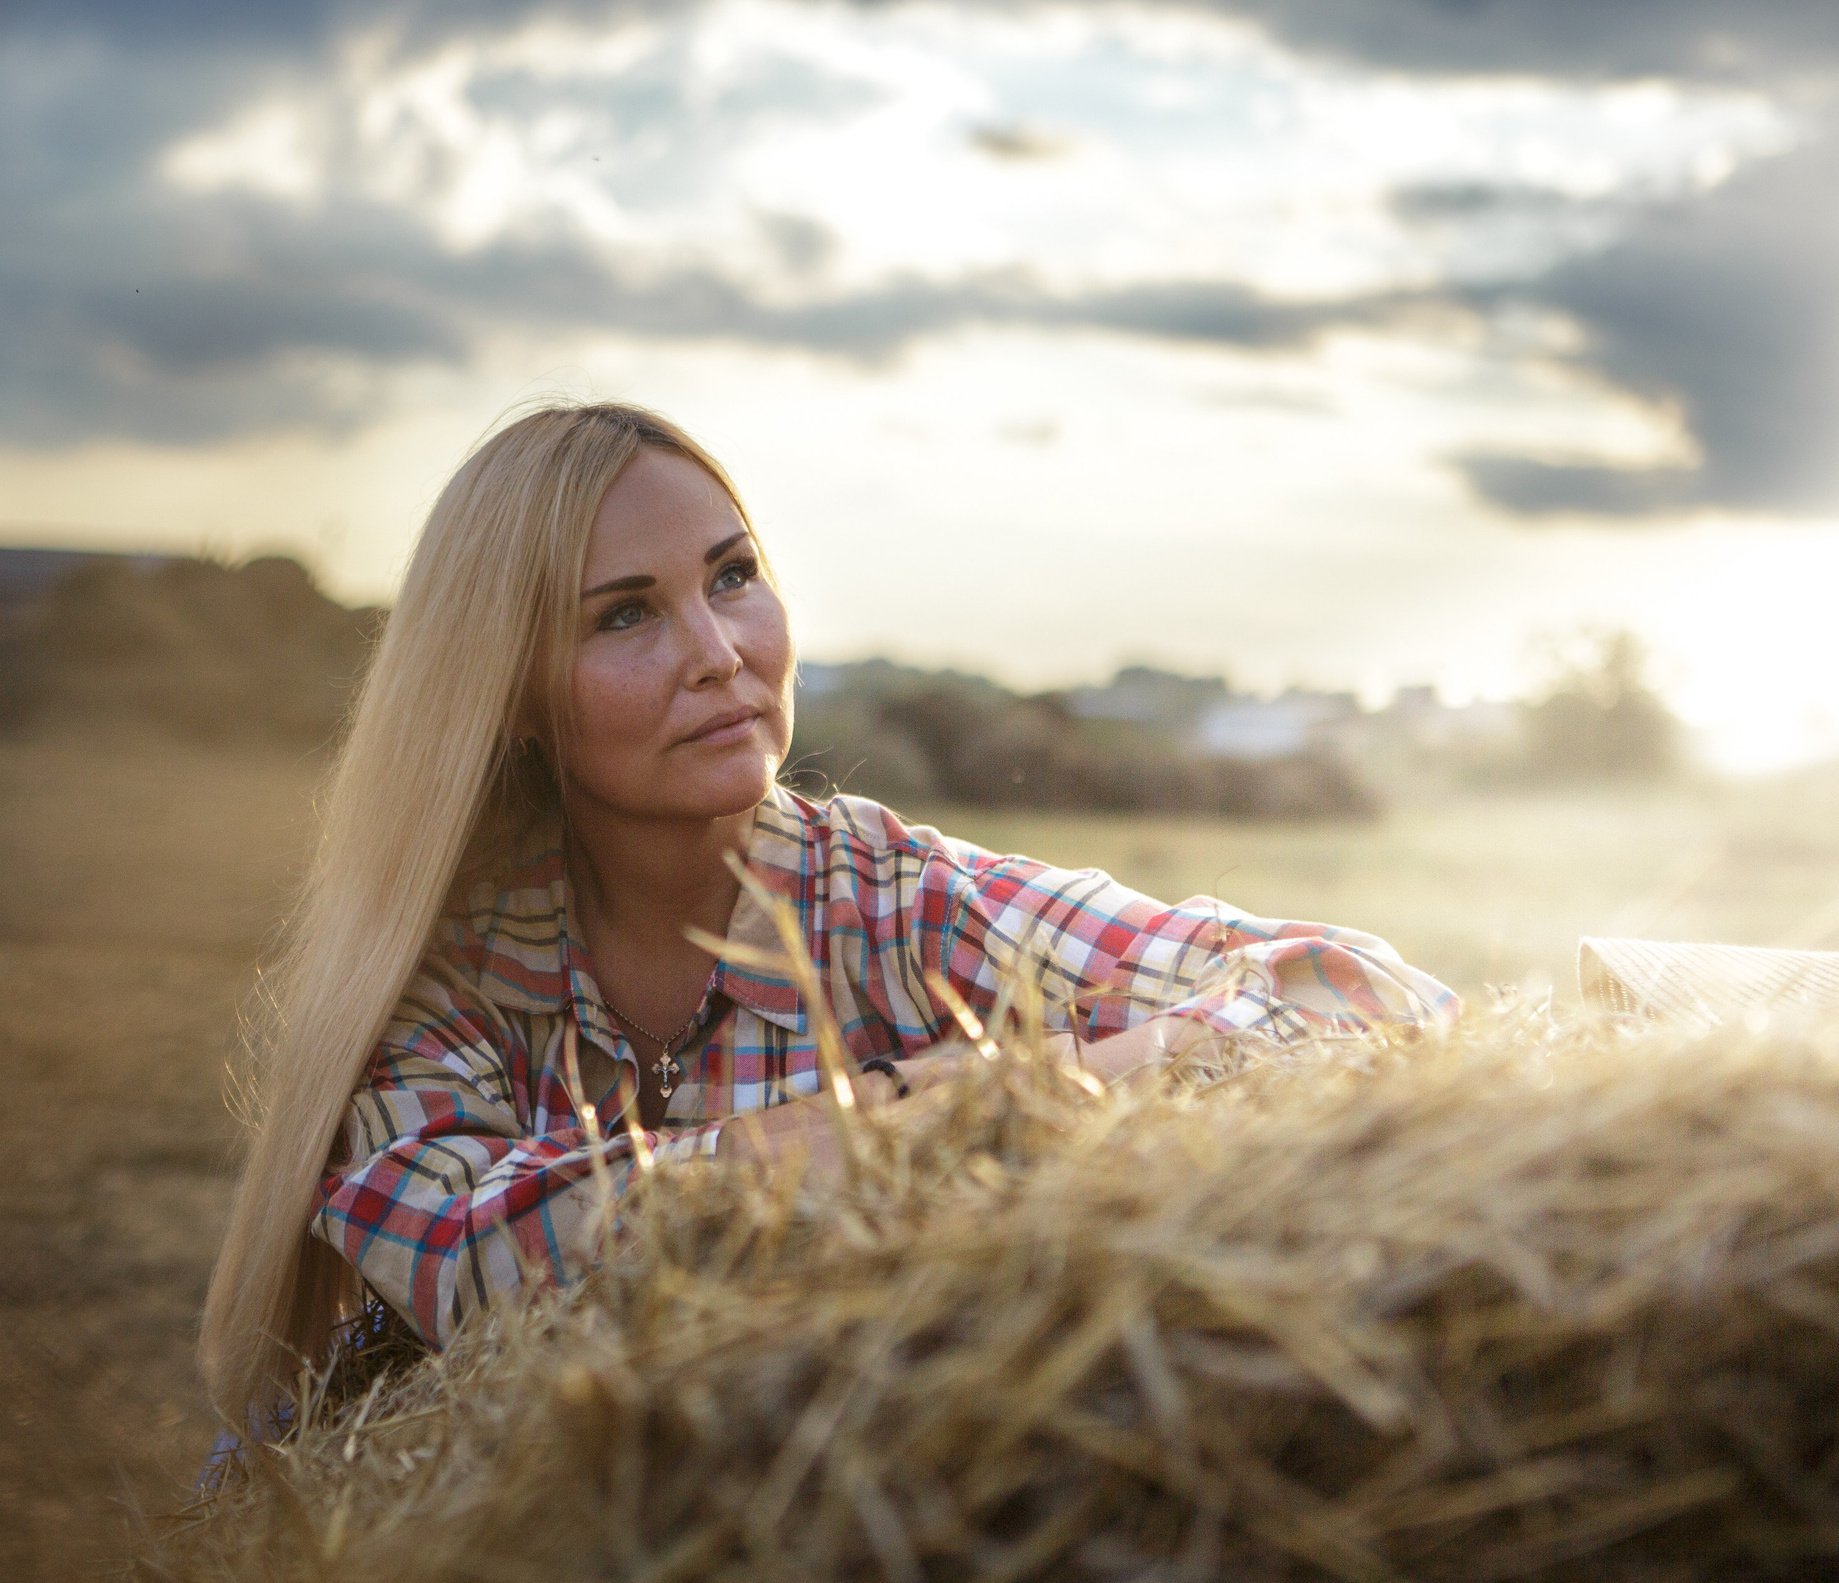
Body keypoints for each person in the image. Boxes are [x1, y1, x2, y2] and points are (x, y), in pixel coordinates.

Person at [197, 402, 1457, 1428]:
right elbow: (486, 1268)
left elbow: (1350, 992)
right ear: (511, 694)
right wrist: (958, 1108)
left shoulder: (895, 903)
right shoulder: (436, 979)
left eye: (733, 576)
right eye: (624, 613)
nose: (717, 649)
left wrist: (1036, 1081)